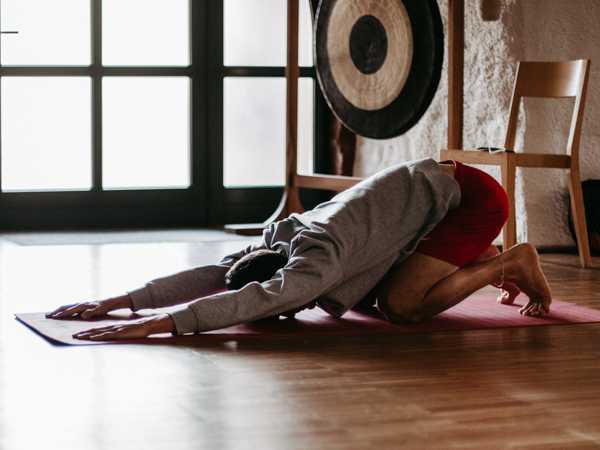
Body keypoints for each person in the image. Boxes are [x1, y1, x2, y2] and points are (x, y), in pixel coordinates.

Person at [46, 158, 552, 341]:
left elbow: (253, 298)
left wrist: (158, 325)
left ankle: (510, 260)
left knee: (400, 306)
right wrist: (123, 300)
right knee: (371, 296)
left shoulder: (316, 262)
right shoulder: (280, 237)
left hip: (471, 200)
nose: (286, 307)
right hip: (433, 191)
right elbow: (218, 274)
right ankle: (482, 258)